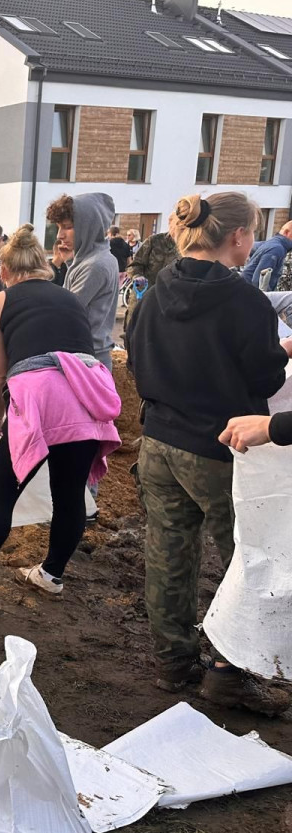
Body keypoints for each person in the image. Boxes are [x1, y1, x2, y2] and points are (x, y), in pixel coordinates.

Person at [126, 192, 290, 716]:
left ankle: (173, 663)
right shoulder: (246, 303)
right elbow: (265, 378)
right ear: (238, 236)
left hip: (158, 442)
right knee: (247, 559)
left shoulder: (151, 294)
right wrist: (282, 351)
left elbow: (136, 359)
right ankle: (226, 673)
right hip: (221, 448)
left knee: (169, 553)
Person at [0, 225, 121, 600]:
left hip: (39, 397)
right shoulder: (69, 299)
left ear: (4, 271)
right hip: (86, 394)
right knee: (69, 496)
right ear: (44, 265)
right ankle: (50, 575)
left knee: (2, 490)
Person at [47, 194, 119, 367]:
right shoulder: (96, 258)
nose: (60, 235)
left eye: (68, 227)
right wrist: (70, 263)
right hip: (87, 356)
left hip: (86, 362)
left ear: (89, 227)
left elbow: (63, 311)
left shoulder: (95, 266)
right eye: (58, 227)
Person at [242, 221, 292, 290]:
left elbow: (250, 246)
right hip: (251, 293)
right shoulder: (276, 249)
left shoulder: (272, 243)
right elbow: (260, 282)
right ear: (286, 232)